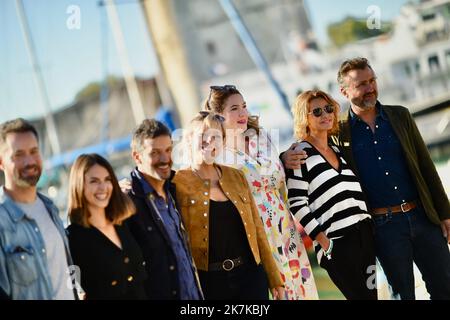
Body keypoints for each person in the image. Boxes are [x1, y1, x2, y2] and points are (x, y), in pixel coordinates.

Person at [334, 57, 450, 300]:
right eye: (361, 84)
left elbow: (426, 166)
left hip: (423, 217)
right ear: (345, 92)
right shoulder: (338, 132)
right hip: (384, 228)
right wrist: (288, 155)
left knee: (445, 288)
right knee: (402, 296)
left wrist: (445, 213)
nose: (370, 88)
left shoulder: (400, 116)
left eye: (372, 80)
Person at [204, 85, 318, 300]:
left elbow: (278, 176)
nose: (243, 113)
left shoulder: (260, 137)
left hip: (285, 229)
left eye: (244, 106)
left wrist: (284, 158)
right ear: (218, 116)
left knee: (303, 291)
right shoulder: (218, 155)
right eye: (234, 108)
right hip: (256, 238)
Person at [173, 111, 284, 300]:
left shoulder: (236, 176)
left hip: (251, 277)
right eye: (202, 136)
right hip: (210, 283)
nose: (209, 141)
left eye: (216, 136)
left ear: (223, 142)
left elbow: (258, 231)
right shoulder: (176, 183)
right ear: (189, 140)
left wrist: (275, 279)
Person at [286, 90, 376, 300]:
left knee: (372, 297)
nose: (325, 115)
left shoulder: (337, 149)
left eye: (328, 109)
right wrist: (324, 241)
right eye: (316, 112)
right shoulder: (300, 154)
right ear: (304, 117)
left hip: (364, 236)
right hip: (337, 243)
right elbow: (297, 203)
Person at [125, 119, 203, 300]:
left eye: (168, 150)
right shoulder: (127, 203)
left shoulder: (176, 189)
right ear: (137, 157)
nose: (165, 159)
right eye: (155, 153)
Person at [0, 118, 76, 300]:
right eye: (18, 155)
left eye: (34, 151)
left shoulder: (50, 209)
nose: (29, 161)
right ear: (1, 162)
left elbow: (66, 270)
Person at [66, 154, 147, 300]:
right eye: (94, 181)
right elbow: (71, 291)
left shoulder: (122, 223)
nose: (103, 187)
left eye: (107, 179)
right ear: (79, 186)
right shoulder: (73, 239)